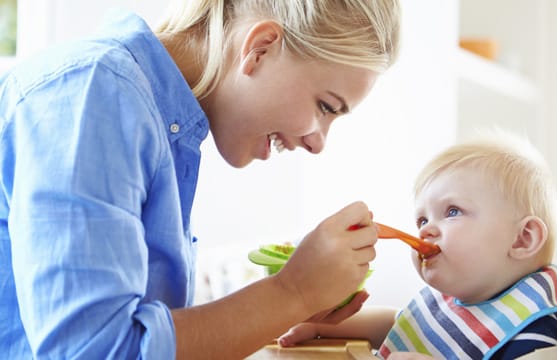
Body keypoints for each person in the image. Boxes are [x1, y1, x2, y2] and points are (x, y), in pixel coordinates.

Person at [0, 0, 401, 358]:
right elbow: (95, 351)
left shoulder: (157, 122)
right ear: (260, 48)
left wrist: (288, 307)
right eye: (326, 106)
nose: (318, 143)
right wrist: (290, 294)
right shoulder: (93, 94)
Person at [278, 130, 557, 359]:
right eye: (422, 220)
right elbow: (401, 323)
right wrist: (323, 328)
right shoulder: (455, 300)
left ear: (522, 239)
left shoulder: (534, 332)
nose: (426, 231)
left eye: (452, 212)